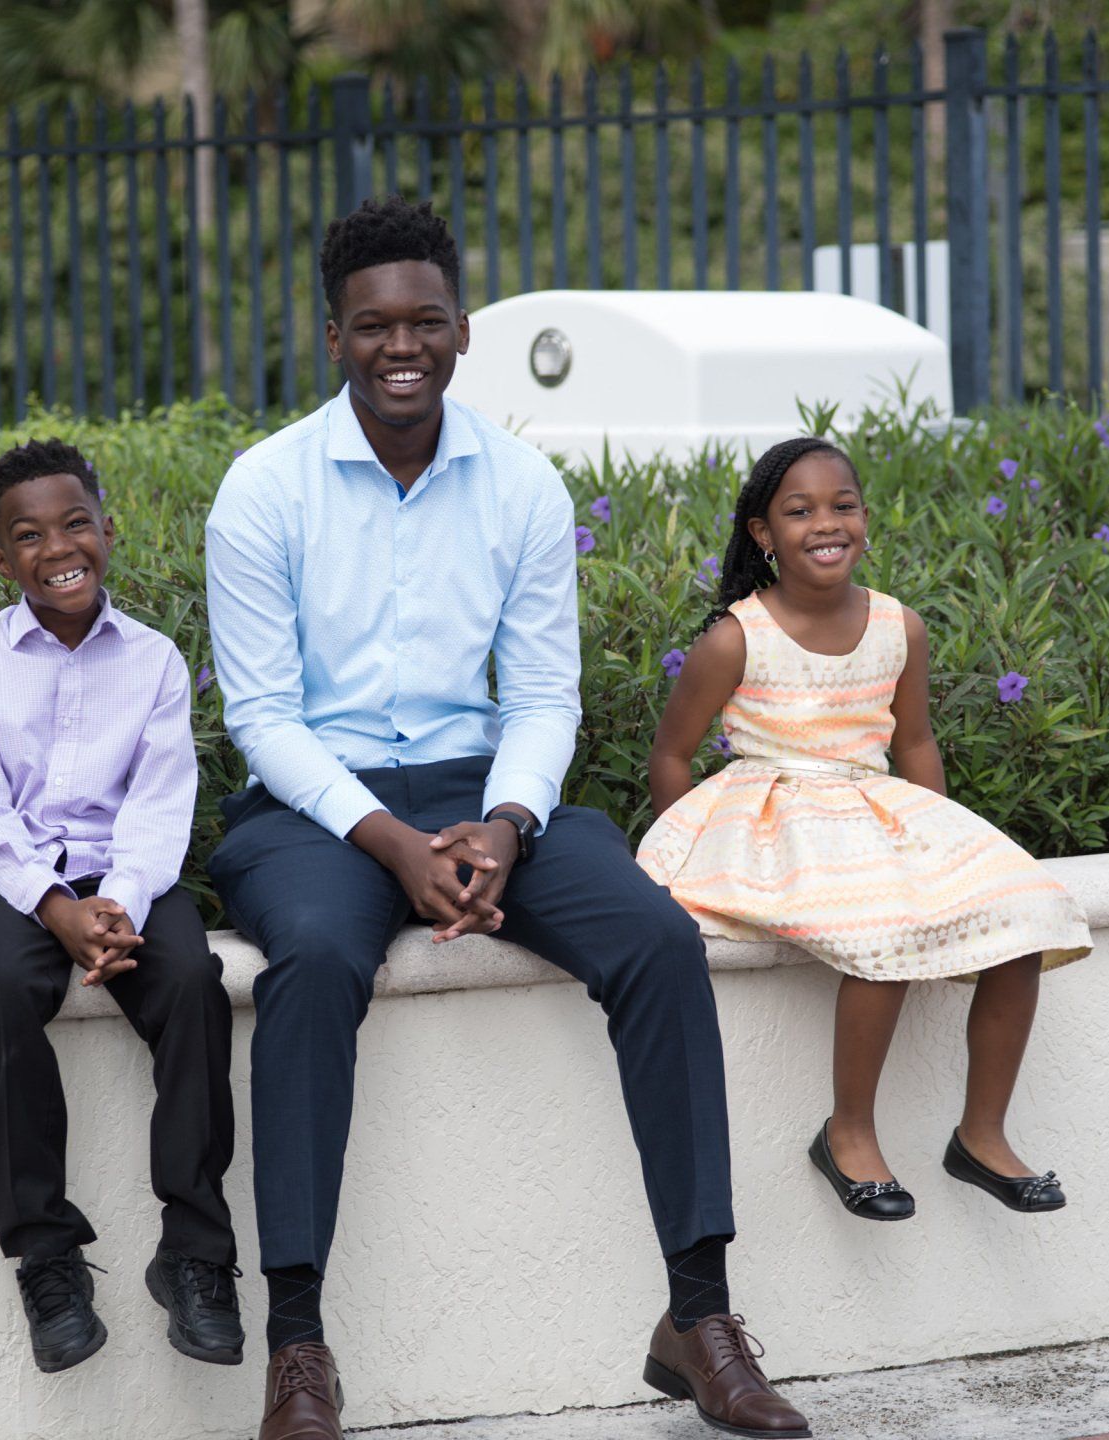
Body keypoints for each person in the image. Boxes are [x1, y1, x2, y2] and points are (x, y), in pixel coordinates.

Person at [205, 196, 810, 1440]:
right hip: (318, 813)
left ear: (464, 329)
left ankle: (699, 1314)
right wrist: (392, 844)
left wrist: (505, 826)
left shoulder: (523, 484)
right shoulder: (262, 491)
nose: (401, 345)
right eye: (374, 325)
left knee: (655, 939)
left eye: (426, 319)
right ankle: (300, 1345)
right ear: (335, 338)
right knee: (314, 961)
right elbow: (263, 717)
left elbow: (542, 694)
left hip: (485, 793)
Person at [638, 435, 1093, 1226]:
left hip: (875, 806)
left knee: (1028, 916)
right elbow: (672, 755)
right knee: (878, 931)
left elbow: (913, 742)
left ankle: (980, 1134)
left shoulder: (898, 627)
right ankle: (847, 1132)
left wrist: (945, 844)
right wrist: (686, 849)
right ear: (762, 534)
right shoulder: (736, 637)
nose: (826, 523)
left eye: (842, 505)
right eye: (800, 510)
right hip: (779, 817)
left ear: (867, 518)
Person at [0, 438, 243, 1375]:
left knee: (193, 981)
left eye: (75, 523)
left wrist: (114, 903)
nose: (57, 546)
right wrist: (54, 906)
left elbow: (160, 801)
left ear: (109, 530)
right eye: (27, 535)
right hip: (9, 875)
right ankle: (47, 1253)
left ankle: (194, 1251)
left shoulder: (151, 660)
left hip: (127, 873)